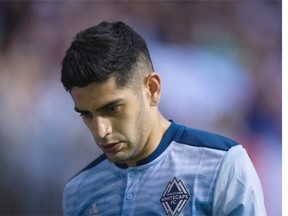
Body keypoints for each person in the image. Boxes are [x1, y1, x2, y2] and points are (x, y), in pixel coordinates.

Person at [60, 21, 266, 216]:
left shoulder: (223, 165)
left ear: (152, 89)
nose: (100, 131)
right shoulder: (79, 191)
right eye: (87, 114)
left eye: (112, 108)